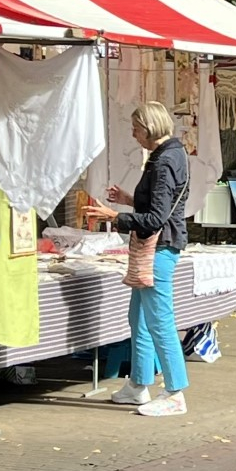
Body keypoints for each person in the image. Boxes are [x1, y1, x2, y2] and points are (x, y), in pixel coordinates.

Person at [83, 102, 193, 418]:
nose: (133, 134)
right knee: (139, 317)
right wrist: (129, 200)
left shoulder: (164, 162)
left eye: (135, 128)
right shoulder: (168, 155)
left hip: (158, 249)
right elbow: (163, 203)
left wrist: (113, 216)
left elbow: (157, 217)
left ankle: (175, 392)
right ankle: (139, 383)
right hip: (156, 248)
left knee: (160, 320)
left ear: (148, 128)